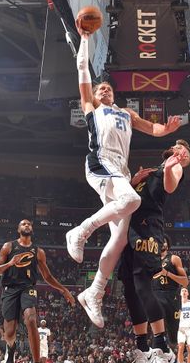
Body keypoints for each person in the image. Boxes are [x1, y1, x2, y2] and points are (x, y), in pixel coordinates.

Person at [65, 19, 181, 328]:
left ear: (114, 94)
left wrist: (165, 129)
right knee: (133, 200)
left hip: (120, 171)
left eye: (107, 88)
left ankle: (95, 291)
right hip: (100, 163)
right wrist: (85, 38)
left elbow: (152, 128)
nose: (102, 89)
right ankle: (80, 231)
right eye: (99, 88)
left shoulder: (126, 114)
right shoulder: (91, 107)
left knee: (119, 240)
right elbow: (82, 72)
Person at [117, 141, 190, 363]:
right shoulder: (150, 171)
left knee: (142, 286)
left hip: (148, 229)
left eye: (185, 155)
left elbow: (169, 188)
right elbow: (127, 199)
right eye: (179, 149)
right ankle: (143, 351)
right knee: (129, 289)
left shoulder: (174, 169)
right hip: (130, 231)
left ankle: (163, 349)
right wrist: (132, 181)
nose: (181, 153)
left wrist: (173, 165)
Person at [0, 219, 75, 363]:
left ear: (32, 229)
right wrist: (10, 263)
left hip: (28, 287)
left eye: (29, 224)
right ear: (18, 228)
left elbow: (48, 277)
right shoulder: (8, 247)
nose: (26, 225)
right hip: (10, 289)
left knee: (32, 319)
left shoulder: (38, 251)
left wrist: (63, 289)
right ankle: (11, 348)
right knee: (10, 332)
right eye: (23, 224)